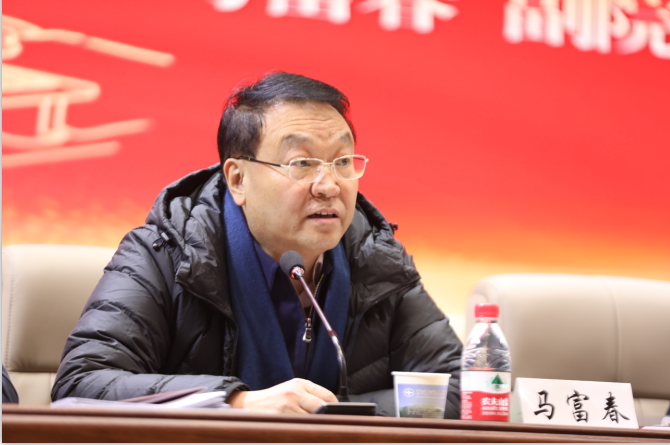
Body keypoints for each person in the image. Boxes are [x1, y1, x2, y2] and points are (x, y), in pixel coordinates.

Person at [52, 72, 464, 417]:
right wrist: (236, 403)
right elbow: (81, 383)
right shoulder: (165, 253)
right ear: (238, 180)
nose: (329, 186)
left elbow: (467, 389)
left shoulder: (377, 260)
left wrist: (327, 416)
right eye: (302, 163)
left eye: (342, 162)